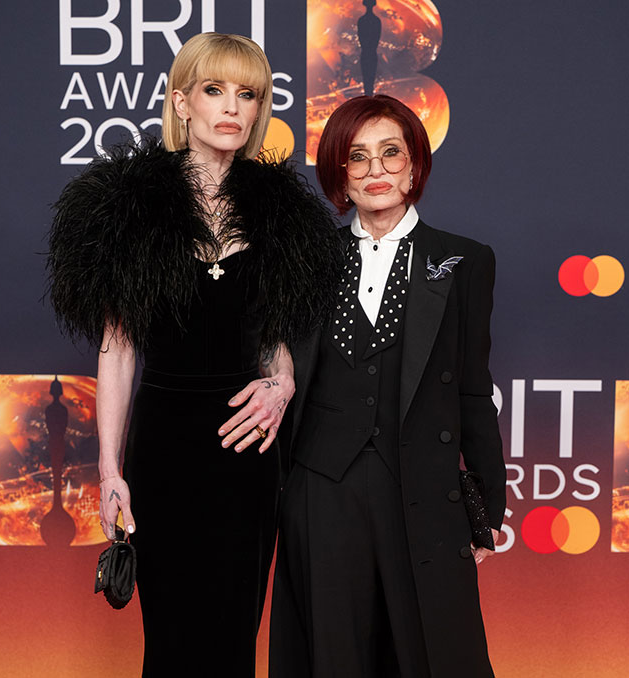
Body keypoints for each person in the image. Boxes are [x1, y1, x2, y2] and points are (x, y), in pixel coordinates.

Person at [47, 32, 341, 677]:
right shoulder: (131, 207)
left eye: (248, 94)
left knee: (234, 634)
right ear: (182, 103)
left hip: (246, 443)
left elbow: (275, 335)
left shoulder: (281, 214)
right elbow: (118, 348)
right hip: (164, 445)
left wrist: (283, 381)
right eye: (214, 90)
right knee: (172, 636)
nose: (232, 107)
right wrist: (109, 470)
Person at [269, 95, 506, 678]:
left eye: (390, 153)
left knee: (429, 653)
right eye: (357, 156)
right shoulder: (307, 260)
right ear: (340, 173)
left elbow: (473, 389)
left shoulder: (464, 261)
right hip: (322, 491)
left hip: (419, 487)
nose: (375, 170)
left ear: (414, 164)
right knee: (331, 656)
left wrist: (488, 506)